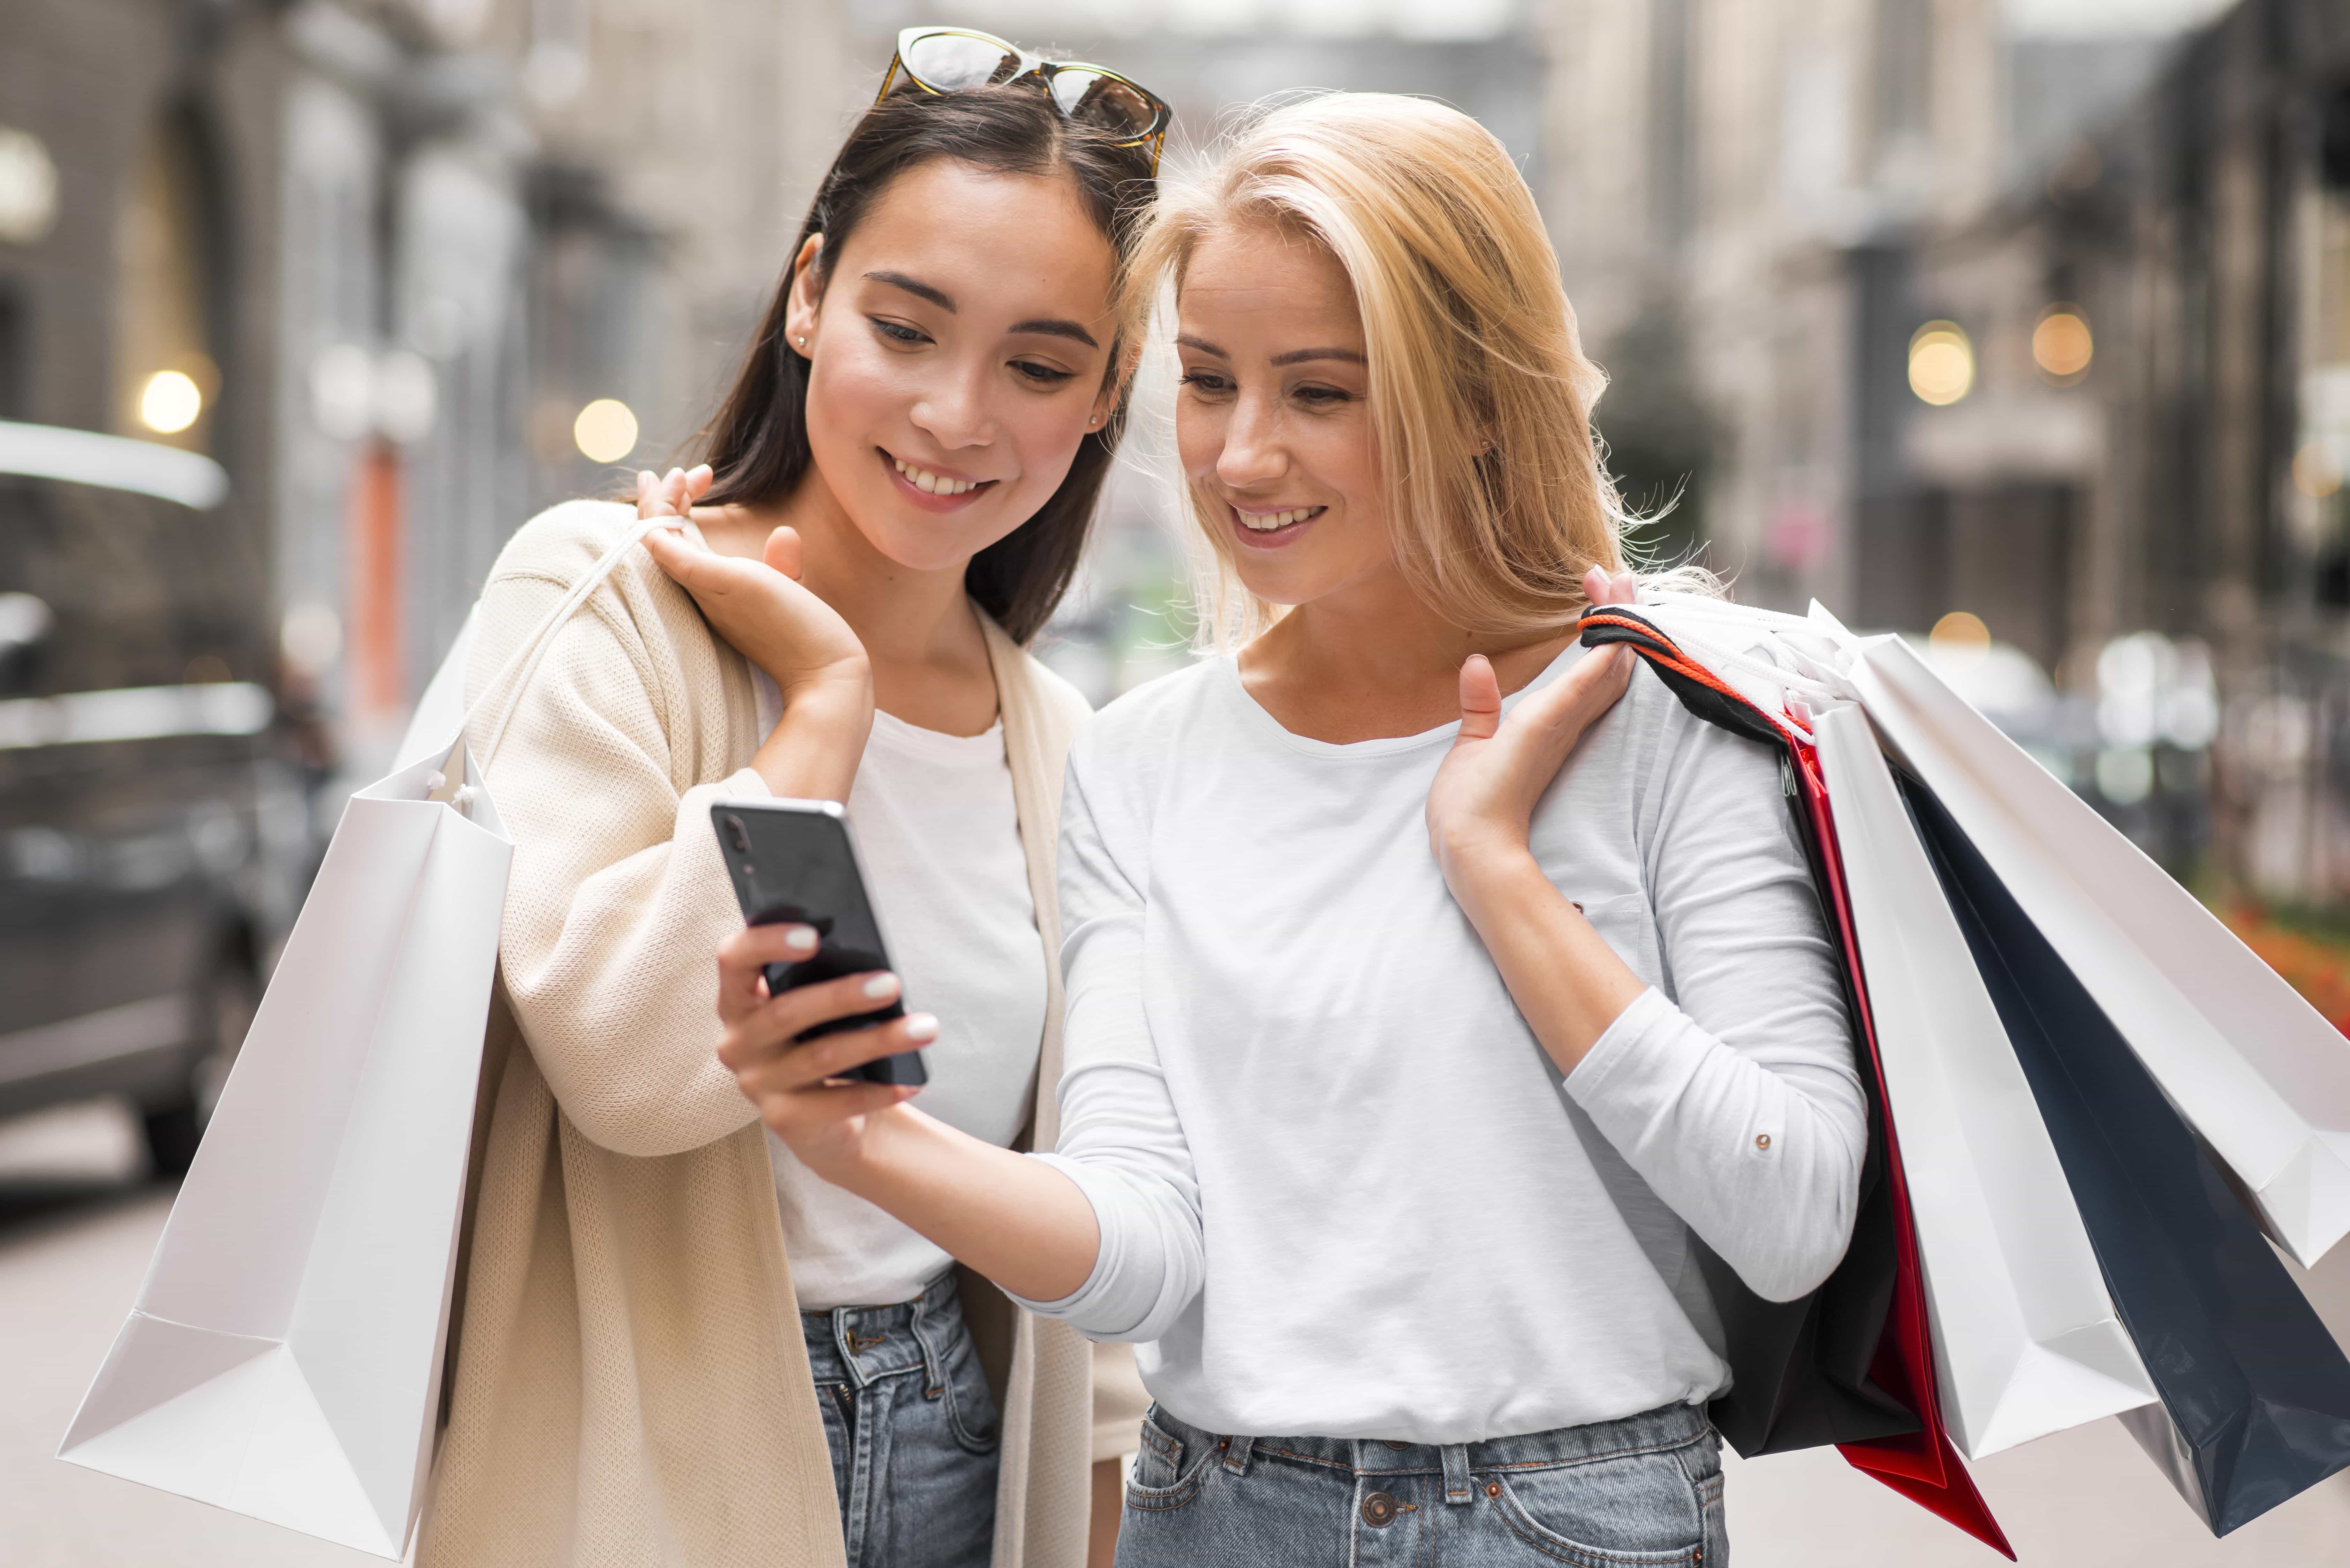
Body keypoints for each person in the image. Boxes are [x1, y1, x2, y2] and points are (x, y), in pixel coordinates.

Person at [713, 92, 1866, 1564]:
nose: (1242, 456)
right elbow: (1144, 1256)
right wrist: (861, 1136)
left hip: (1572, 1521)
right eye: (1207, 382)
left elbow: (1792, 1211)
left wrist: (1497, 873)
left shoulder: (1663, 711)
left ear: (1471, 400)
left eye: (1320, 392)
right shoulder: (1138, 762)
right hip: (1220, 1512)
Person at [420, 34, 1164, 1568]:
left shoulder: (1064, 740)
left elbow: (1082, 1239)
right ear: (811, 295)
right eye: (908, 326)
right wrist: (820, 716)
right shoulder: (596, 599)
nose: (960, 415)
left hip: (958, 1438)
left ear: (1103, 398)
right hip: (634, 1461)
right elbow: (622, 1062)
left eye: (1037, 364)